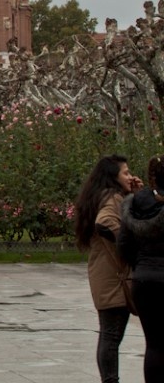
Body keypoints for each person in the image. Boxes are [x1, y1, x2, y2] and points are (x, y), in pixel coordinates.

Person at [76, 154, 140, 383]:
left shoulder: (103, 196)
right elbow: (105, 222)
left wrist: (134, 195)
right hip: (113, 277)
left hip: (105, 273)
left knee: (109, 334)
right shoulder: (112, 198)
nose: (130, 176)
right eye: (125, 172)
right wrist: (128, 242)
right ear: (113, 176)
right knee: (111, 335)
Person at [119, 156, 164, 381]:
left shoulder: (135, 206)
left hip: (144, 280)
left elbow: (123, 245)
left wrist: (140, 266)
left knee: (154, 344)